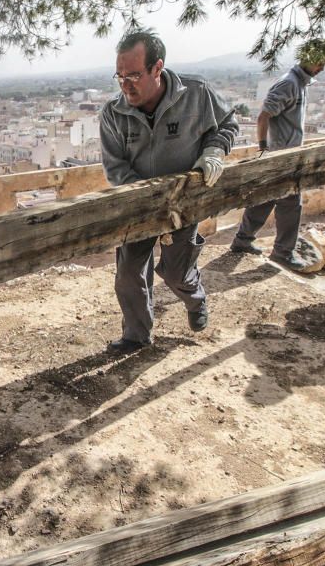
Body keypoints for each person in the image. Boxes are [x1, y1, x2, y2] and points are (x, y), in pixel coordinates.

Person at [99, 30, 239, 353]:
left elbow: (228, 124)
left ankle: (195, 298)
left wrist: (215, 150)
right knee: (129, 274)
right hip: (139, 207)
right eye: (119, 76)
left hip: (183, 206)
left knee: (176, 273)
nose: (125, 85)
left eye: (134, 75)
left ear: (157, 68)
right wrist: (147, 200)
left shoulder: (196, 94)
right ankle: (137, 336)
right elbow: (116, 168)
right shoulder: (113, 114)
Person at [231, 45, 325, 270]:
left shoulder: (299, 84)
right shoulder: (289, 84)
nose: (322, 68)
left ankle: (242, 240)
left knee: (263, 199)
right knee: (291, 206)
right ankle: (283, 252)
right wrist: (264, 148)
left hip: (285, 155)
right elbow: (263, 116)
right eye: (320, 62)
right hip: (282, 158)